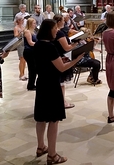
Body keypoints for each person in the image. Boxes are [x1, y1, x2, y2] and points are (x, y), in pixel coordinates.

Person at [33, 19, 83, 164]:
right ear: (49, 30)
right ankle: (53, 155)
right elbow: (61, 68)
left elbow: (48, 62)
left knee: (41, 117)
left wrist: (60, 60)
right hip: (51, 85)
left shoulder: (38, 44)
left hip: (42, 82)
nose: (57, 31)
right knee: (53, 120)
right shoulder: (50, 47)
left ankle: (41, 146)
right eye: (55, 28)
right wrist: (76, 60)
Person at [23, 18, 37, 90]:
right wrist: (39, 44)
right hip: (29, 52)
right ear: (30, 24)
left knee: (34, 69)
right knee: (32, 69)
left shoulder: (33, 31)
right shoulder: (27, 31)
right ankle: (30, 85)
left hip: (33, 51)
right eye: (34, 23)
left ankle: (32, 84)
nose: (35, 25)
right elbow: (30, 43)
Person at [13, 15, 27, 81]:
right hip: (20, 44)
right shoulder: (16, 28)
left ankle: (23, 73)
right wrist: (21, 32)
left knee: (24, 60)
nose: (23, 20)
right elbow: (16, 36)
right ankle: (21, 74)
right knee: (22, 59)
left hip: (24, 43)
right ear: (18, 20)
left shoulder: (23, 27)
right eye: (22, 19)